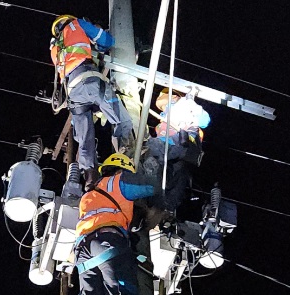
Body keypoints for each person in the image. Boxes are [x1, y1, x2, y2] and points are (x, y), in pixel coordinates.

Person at [49, 15, 134, 191]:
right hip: (89, 81)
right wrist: (99, 44)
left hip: (74, 94)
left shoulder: (55, 47)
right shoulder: (76, 24)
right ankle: (128, 149)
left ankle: (90, 178)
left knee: (84, 139)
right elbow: (107, 40)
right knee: (119, 116)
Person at [74, 153, 160, 295]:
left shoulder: (88, 196)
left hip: (83, 250)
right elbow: (151, 186)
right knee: (125, 290)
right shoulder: (117, 182)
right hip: (107, 242)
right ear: (120, 171)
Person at [141, 87, 211, 222]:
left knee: (152, 154)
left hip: (176, 147)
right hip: (177, 154)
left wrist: (190, 99)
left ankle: (158, 207)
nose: (166, 107)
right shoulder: (167, 117)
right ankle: (162, 210)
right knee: (171, 181)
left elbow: (205, 120)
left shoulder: (182, 107)